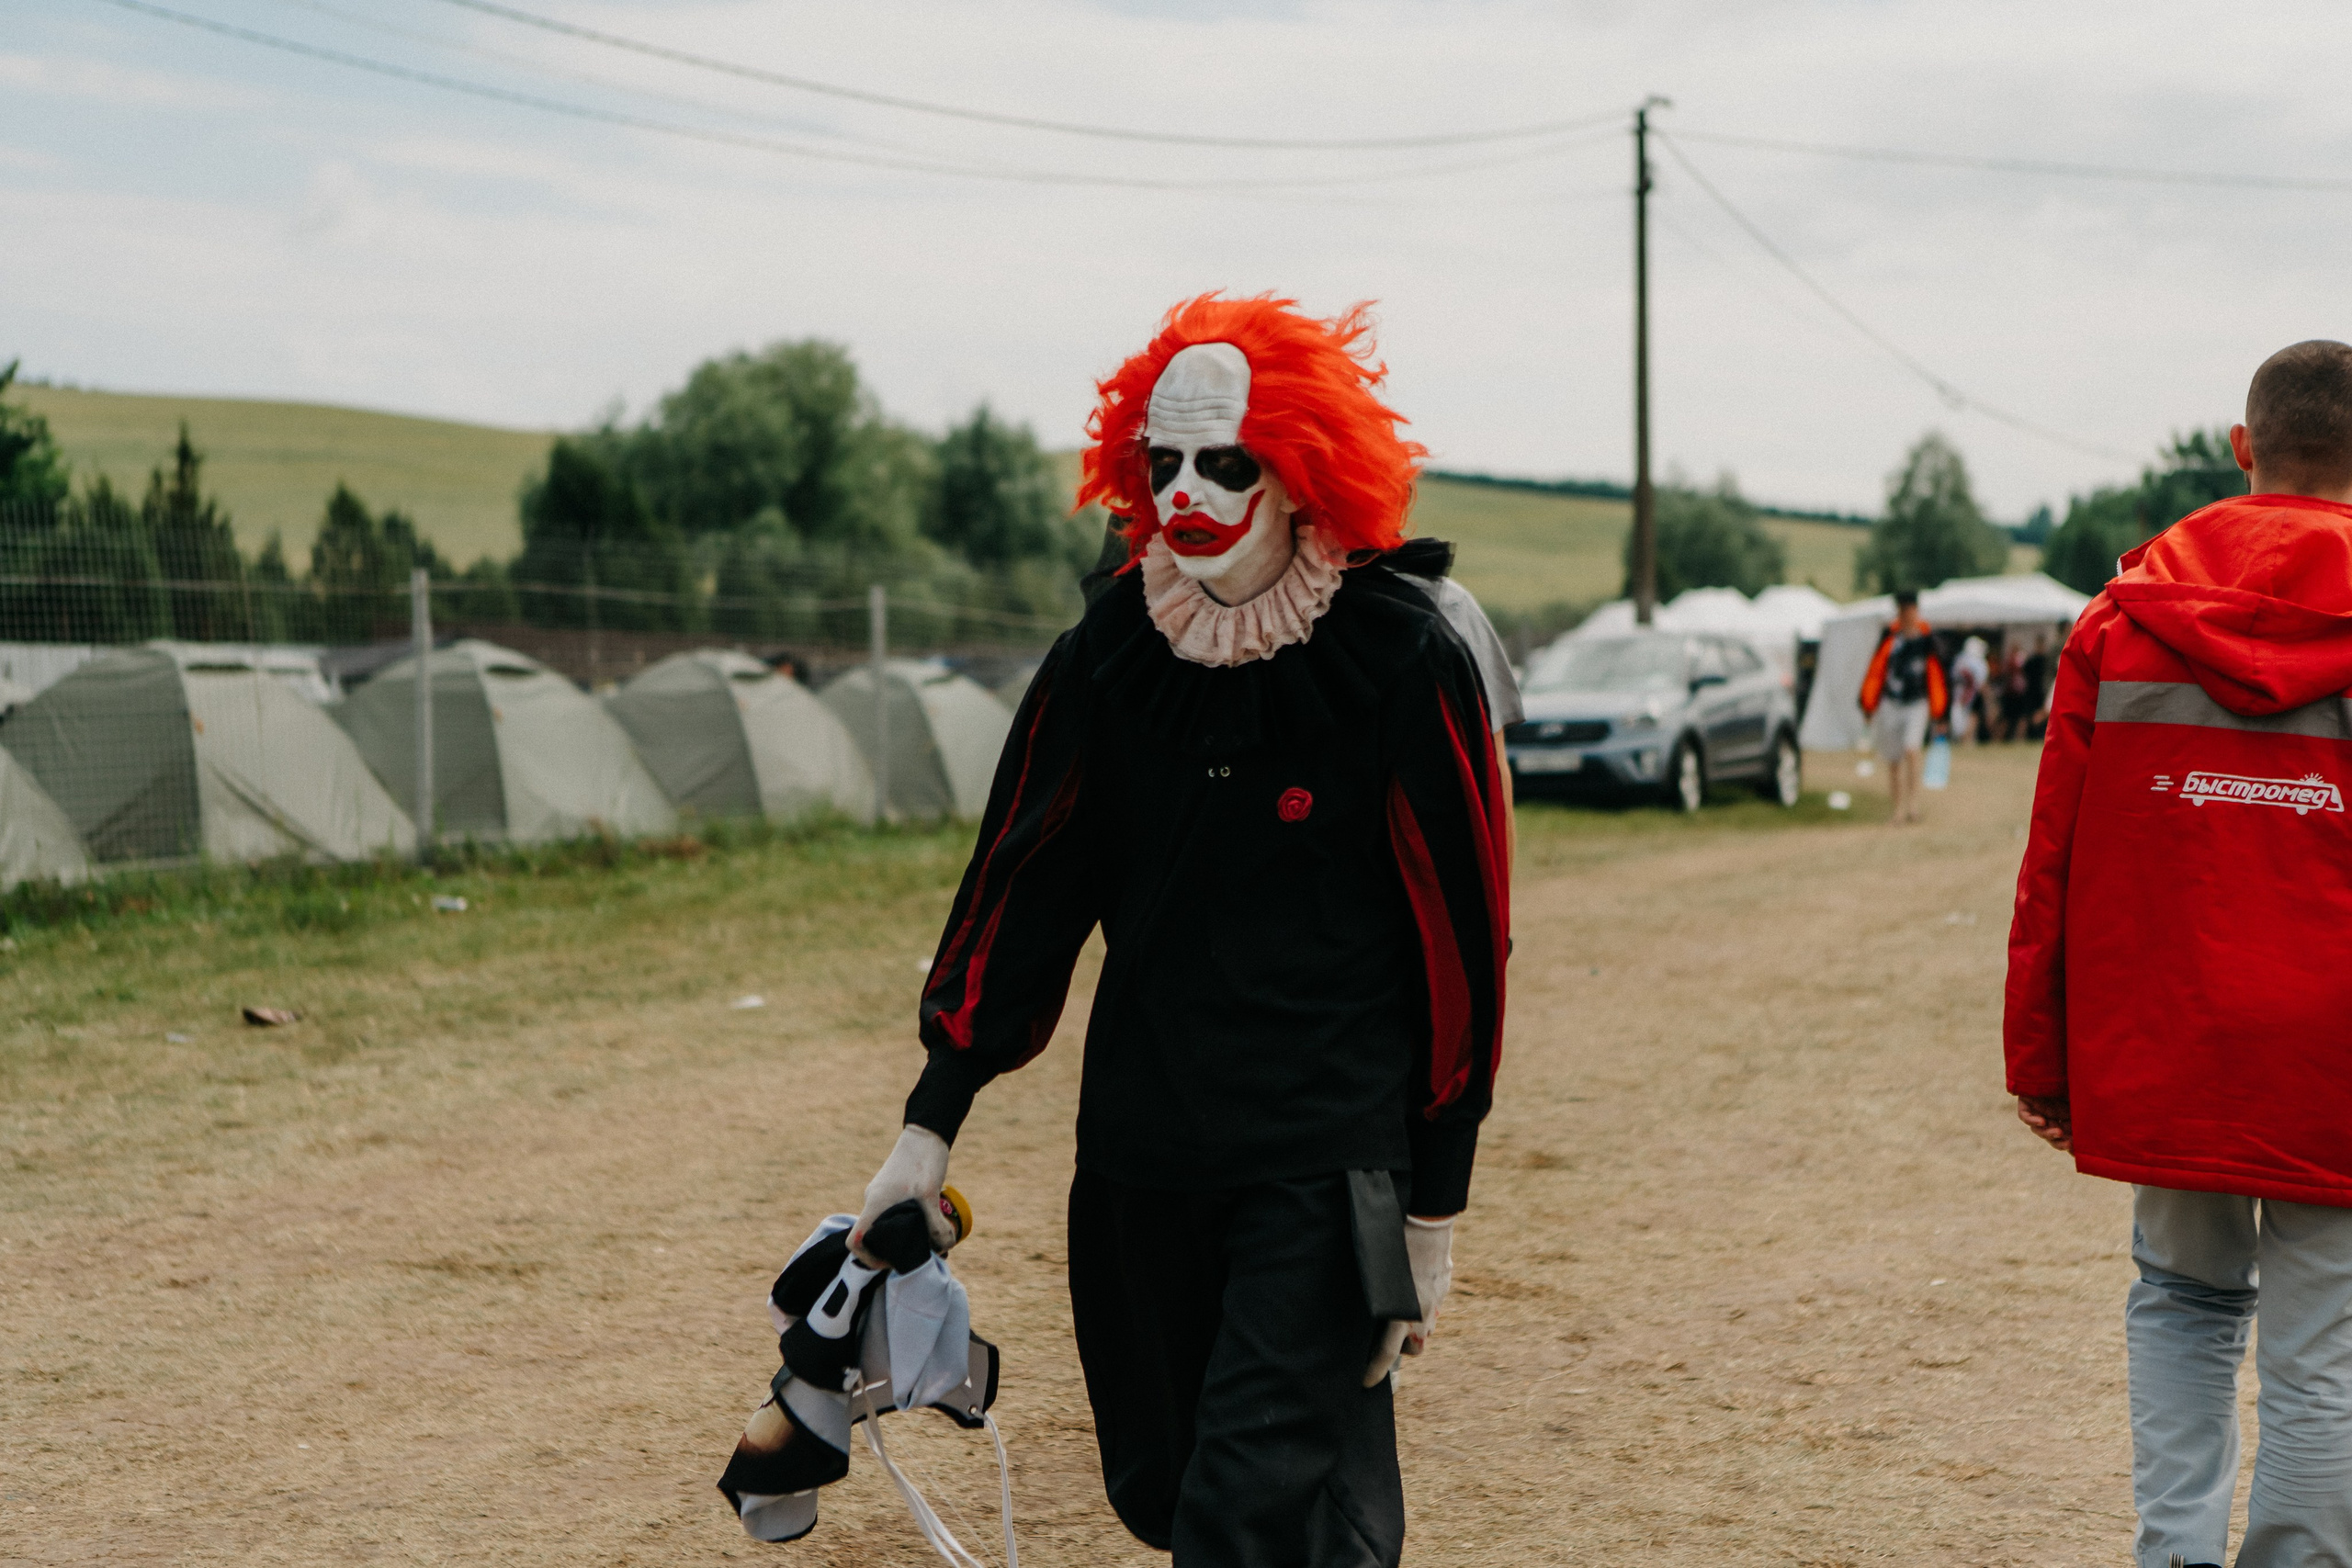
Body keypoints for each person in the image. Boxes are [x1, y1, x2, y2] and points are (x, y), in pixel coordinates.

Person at [851, 294, 1510, 1568]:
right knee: (1169, 1478)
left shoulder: (1401, 654)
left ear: (1302, 461)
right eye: (1165, 465)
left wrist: (1434, 1208)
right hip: (1143, 1153)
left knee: (1236, 1515)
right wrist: (928, 1123)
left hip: (1323, 1159)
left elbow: (1463, 949)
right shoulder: (1109, 653)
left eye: (1227, 461)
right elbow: (1021, 891)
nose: (1191, 491)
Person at [2007, 338, 2352, 1568]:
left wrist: (2042, 1053)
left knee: (2184, 1304)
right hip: (2333, 1052)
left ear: (2242, 445)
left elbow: (2054, 854)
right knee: (2324, 1345)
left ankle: (2176, 1553)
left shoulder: (2123, 618)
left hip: (2173, 1031)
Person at [1858, 589, 1948, 822]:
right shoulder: (1889, 638)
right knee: (1894, 759)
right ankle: (1898, 809)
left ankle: (1913, 806)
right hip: (1891, 703)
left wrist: (1940, 712)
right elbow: (1876, 672)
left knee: (1911, 750)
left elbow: (1938, 676)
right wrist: (1868, 704)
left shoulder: (1927, 640)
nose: (1905, 614)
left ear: (1916, 611)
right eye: (1902, 610)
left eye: (1909, 609)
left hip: (1917, 703)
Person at [1951, 634, 1990, 745]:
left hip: (1959, 695)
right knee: (1969, 719)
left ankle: (1964, 740)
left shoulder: (1959, 660)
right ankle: (1966, 740)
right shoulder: (1979, 663)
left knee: (1961, 720)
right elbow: (1981, 682)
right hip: (1971, 695)